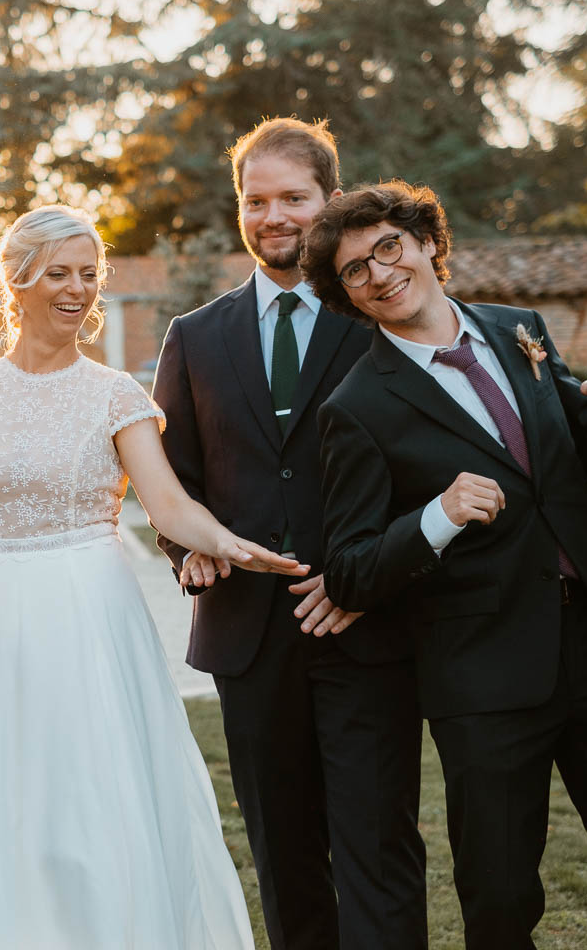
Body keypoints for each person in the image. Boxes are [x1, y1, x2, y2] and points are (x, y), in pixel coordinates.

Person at [305, 180, 587, 949]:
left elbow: (586, 460)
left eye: (389, 247)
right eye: (355, 271)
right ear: (347, 296)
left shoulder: (523, 330)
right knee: (501, 897)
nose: (379, 272)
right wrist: (434, 519)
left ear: (426, 244)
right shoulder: (356, 408)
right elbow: (348, 570)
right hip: (483, 677)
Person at [0, 204, 303, 949]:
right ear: (17, 280)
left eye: (89, 275)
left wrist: (230, 541)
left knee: (100, 797)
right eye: (58, 273)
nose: (77, 289)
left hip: (93, 611)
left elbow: (168, 503)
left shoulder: (116, 393)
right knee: (14, 802)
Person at [151, 117, 425, 949]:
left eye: (294, 198)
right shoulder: (194, 338)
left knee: (378, 848)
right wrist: (186, 547)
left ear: (330, 201)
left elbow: (422, 467)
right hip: (249, 636)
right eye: (255, 199)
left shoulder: (381, 318)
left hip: (366, 628)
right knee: (284, 854)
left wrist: (369, 580)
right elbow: (173, 478)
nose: (274, 215)